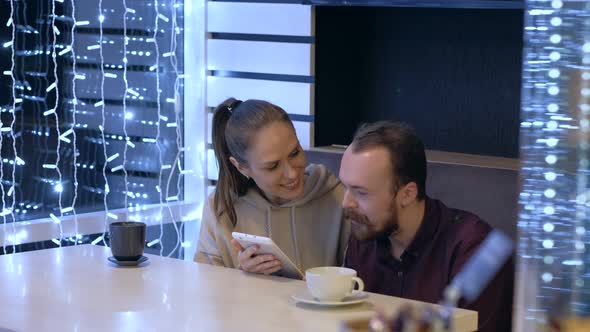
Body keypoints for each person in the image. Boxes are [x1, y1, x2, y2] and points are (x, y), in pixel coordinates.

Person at [340, 121, 514, 332]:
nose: (346, 203)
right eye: (345, 187)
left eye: (361, 192)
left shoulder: (473, 248)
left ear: (407, 194)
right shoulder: (365, 233)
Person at [194, 98, 349, 277]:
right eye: (272, 166)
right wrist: (241, 276)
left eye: (294, 153)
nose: (291, 173)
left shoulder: (336, 195)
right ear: (241, 167)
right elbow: (206, 291)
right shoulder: (221, 208)